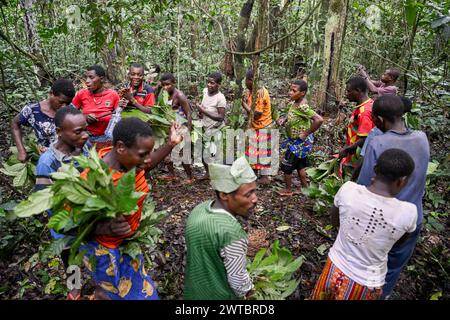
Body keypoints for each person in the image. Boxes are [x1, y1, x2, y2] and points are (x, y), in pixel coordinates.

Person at [81, 117, 183, 300]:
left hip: (126, 245)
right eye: (143, 154)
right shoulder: (93, 180)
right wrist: (104, 228)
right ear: (120, 147)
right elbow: (66, 225)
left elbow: (148, 165)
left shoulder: (129, 163)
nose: (148, 159)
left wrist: (170, 143)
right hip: (105, 252)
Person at [311, 148, 417, 300]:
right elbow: (398, 243)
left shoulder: (348, 189)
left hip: (334, 268)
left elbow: (335, 221)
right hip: (366, 284)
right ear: (402, 181)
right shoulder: (408, 213)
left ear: (375, 169)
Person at [357, 95, 429, 299]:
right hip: (412, 218)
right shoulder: (422, 138)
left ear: (379, 119)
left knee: (371, 264)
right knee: (393, 267)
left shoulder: (378, 143)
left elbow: (364, 186)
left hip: (381, 218)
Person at [34, 105, 90, 300]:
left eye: (85, 129)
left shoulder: (85, 148)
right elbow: (44, 199)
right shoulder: (47, 161)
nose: (85, 135)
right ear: (59, 132)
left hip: (89, 218)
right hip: (65, 224)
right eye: (78, 132)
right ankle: (74, 286)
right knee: (70, 256)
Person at [184, 156, 257, 300]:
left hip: (193, 291)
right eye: (248, 194)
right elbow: (238, 281)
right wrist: (249, 292)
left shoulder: (199, 210)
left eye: (254, 191)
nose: (255, 199)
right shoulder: (231, 233)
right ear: (224, 195)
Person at [277, 80, 323, 196]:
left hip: (298, 143)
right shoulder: (295, 103)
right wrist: (285, 119)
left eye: (294, 91)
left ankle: (288, 190)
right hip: (297, 142)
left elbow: (319, 120)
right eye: (290, 90)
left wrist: (306, 133)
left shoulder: (303, 106)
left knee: (286, 165)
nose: (290, 92)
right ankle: (306, 188)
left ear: (302, 93)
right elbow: (292, 113)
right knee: (300, 165)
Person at [11, 79, 75, 162]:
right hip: (45, 158)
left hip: (69, 157)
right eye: (61, 102)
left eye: (68, 103)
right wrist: (21, 150)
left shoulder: (71, 109)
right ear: (51, 93)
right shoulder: (32, 110)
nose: (64, 106)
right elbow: (15, 124)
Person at [71, 65, 120, 150]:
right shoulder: (81, 94)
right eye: (86, 77)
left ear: (102, 79)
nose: (87, 81)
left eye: (91, 77)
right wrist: (84, 118)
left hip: (107, 139)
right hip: (85, 139)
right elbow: (70, 114)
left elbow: (118, 117)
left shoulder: (113, 95)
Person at [158, 73, 193, 183]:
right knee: (166, 152)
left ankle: (189, 177)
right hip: (168, 127)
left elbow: (189, 113)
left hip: (180, 128)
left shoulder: (180, 96)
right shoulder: (163, 94)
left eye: (168, 84)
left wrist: (188, 132)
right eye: (163, 85)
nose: (165, 87)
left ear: (174, 83)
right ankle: (172, 174)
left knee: (182, 154)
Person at [242, 69, 273, 184]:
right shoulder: (251, 90)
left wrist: (244, 105)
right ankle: (253, 175)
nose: (245, 82)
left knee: (263, 152)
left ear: (251, 80)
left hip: (263, 126)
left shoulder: (260, 93)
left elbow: (256, 115)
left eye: (246, 80)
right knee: (254, 151)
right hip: (255, 127)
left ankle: (265, 178)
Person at [338, 76, 375, 173]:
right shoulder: (366, 105)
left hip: (357, 156)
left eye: (348, 91)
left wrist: (346, 150)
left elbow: (365, 138)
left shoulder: (364, 112)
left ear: (358, 91)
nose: (346, 94)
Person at [195, 71, 227, 180]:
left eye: (212, 83)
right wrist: (201, 112)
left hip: (215, 129)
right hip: (204, 128)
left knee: (213, 155)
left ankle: (217, 177)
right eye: (208, 82)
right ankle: (208, 174)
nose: (209, 85)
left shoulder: (220, 98)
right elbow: (205, 108)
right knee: (203, 154)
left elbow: (220, 117)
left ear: (219, 84)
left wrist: (203, 110)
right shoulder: (205, 91)